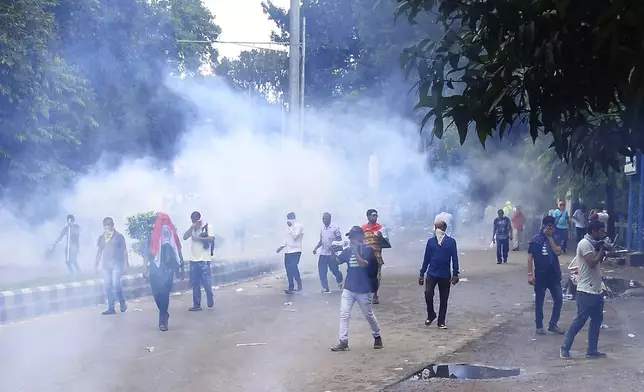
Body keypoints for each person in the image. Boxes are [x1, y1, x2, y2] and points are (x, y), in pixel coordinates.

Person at [560, 220, 608, 359]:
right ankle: (565, 347)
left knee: (596, 321)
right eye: (601, 231)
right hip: (586, 290)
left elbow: (599, 260)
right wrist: (602, 249)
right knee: (580, 321)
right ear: (594, 231)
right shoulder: (585, 244)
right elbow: (592, 263)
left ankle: (592, 350)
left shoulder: (594, 244)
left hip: (596, 289)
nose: (603, 234)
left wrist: (602, 249)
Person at [331, 226, 382, 351]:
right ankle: (343, 341)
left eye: (352, 237)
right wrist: (333, 252)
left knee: (368, 315)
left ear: (360, 237)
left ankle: (377, 336)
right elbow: (336, 262)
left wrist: (356, 251)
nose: (350, 239)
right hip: (349, 288)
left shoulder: (368, 251)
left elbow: (363, 264)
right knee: (344, 314)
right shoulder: (348, 251)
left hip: (363, 290)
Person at [527, 216, 566, 335]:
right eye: (549, 226)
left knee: (559, 299)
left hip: (554, 275)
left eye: (552, 226)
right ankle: (539, 325)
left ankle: (553, 324)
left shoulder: (556, 237)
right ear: (544, 226)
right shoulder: (536, 239)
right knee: (539, 301)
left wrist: (550, 238)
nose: (551, 228)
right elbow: (530, 256)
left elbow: (558, 251)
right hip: (540, 275)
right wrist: (530, 274)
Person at [146, 212, 185, 331]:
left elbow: (178, 250)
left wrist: (181, 267)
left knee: (164, 293)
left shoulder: (173, 235)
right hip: (154, 268)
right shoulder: (151, 235)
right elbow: (146, 254)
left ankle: (163, 318)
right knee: (157, 294)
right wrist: (145, 269)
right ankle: (163, 312)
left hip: (168, 268)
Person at [419, 220, 459, 329]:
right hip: (432, 272)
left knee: (444, 298)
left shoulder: (451, 242)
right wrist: (422, 273)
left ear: (444, 228)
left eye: (440, 227)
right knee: (428, 293)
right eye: (436, 227)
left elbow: (455, 258)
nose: (437, 230)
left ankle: (441, 321)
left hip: (445, 274)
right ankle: (431, 314)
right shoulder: (431, 242)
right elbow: (426, 258)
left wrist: (455, 273)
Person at [95, 217, 128, 315]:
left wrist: (126, 264)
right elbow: (99, 252)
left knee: (116, 284)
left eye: (109, 224)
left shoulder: (119, 237)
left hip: (118, 264)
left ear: (113, 225)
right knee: (107, 286)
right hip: (106, 265)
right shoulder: (102, 238)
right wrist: (95, 265)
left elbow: (125, 250)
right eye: (105, 225)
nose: (107, 227)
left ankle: (122, 302)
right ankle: (111, 307)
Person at [182, 211, 215, 311]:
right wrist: (192, 227)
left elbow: (211, 239)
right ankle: (197, 304)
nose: (196, 223)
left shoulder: (208, 226)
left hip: (204, 259)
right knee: (195, 283)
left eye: (197, 221)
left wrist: (198, 238)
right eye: (193, 222)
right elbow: (184, 237)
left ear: (200, 219)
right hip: (193, 259)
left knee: (206, 282)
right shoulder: (192, 228)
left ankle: (209, 295)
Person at [313, 212, 343, 293]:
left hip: (332, 254)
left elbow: (339, 239)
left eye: (325, 218)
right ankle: (325, 287)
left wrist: (334, 247)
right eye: (323, 218)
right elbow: (321, 240)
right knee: (322, 271)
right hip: (323, 253)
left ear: (329, 219)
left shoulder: (335, 228)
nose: (324, 220)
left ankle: (339, 280)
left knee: (334, 270)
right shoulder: (322, 229)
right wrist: (315, 248)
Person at [361, 209, 387, 304]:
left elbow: (385, 243)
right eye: (373, 215)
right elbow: (360, 241)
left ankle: (375, 295)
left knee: (377, 276)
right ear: (368, 216)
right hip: (366, 256)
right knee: (366, 275)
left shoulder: (380, 228)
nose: (375, 217)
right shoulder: (363, 228)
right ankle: (367, 294)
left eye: (376, 215)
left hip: (377, 256)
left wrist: (381, 237)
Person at [276, 212, 304, 294]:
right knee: (288, 269)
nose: (288, 220)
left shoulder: (299, 226)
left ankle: (299, 284)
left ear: (294, 218)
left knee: (293, 267)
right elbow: (286, 238)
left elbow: (295, 236)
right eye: (288, 218)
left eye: (290, 218)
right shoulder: (289, 227)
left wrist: (290, 227)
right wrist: (280, 247)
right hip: (288, 251)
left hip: (296, 250)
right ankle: (291, 286)